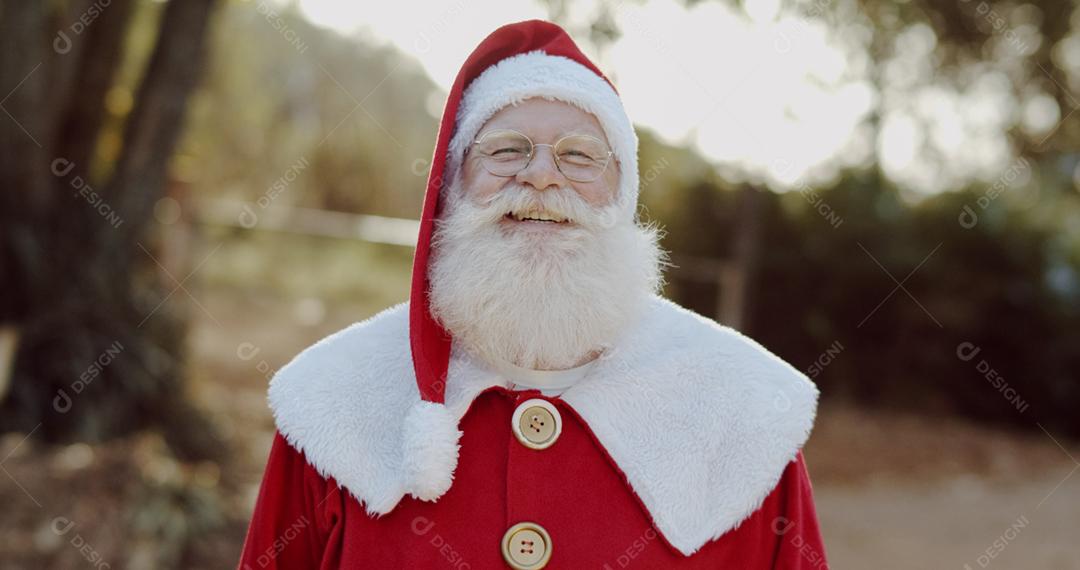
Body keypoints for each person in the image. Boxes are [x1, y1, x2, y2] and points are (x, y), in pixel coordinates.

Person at [238, 19, 827, 570]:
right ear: (451, 187)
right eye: (505, 150)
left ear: (624, 197)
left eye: (579, 155)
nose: (542, 175)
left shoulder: (749, 411)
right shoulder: (330, 399)